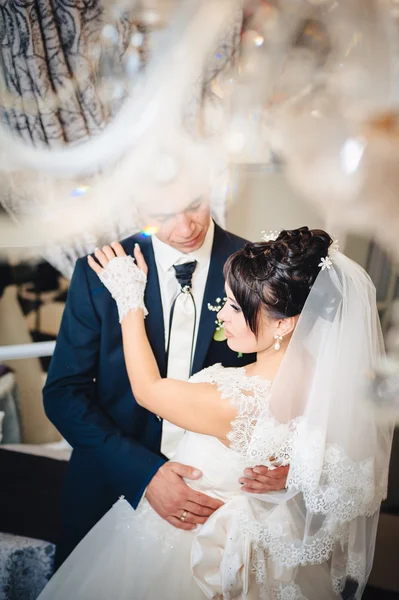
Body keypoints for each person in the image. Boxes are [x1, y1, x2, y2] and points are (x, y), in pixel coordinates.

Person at [38, 226, 393, 599]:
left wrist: (129, 300)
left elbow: (148, 391)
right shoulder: (326, 382)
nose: (222, 315)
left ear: (285, 323)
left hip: (191, 548)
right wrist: (303, 469)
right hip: (275, 552)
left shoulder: (238, 399)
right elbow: (354, 463)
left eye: (236, 307)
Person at [43, 196, 288, 567]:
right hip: (112, 484)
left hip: (225, 501)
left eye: (194, 205)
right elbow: (63, 393)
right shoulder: (102, 270)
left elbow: (296, 377)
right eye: (162, 214)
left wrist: (291, 461)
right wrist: (144, 474)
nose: (186, 227)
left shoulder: (257, 268)